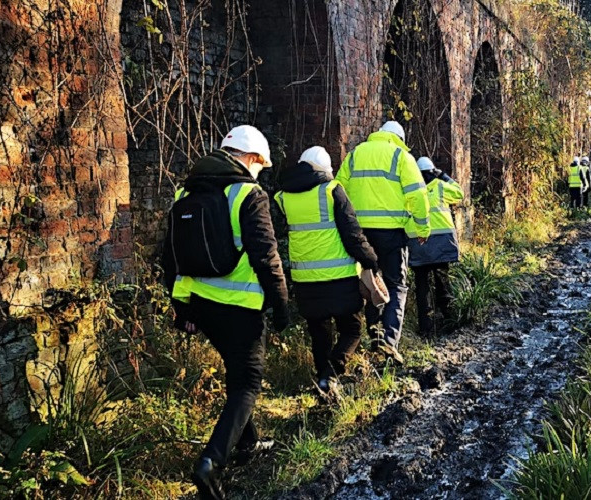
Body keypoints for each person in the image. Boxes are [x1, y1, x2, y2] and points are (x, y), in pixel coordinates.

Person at [163, 125, 290, 499]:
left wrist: (179, 304)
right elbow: (267, 258)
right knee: (247, 384)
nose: (260, 172)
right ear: (251, 159)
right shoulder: (248, 194)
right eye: (260, 166)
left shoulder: (185, 191)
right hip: (241, 308)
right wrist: (281, 305)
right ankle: (211, 462)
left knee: (236, 372)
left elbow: (170, 253)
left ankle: (247, 444)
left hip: (200, 306)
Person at [273, 146, 380, 397]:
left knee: (319, 333)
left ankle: (323, 378)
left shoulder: (282, 197)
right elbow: (353, 234)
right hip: (339, 278)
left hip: (304, 280)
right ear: (326, 170)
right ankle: (331, 373)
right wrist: (370, 260)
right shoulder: (332, 191)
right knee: (351, 329)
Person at [336, 121, 430, 364]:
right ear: (399, 137)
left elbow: (338, 190)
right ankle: (387, 342)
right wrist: (422, 227)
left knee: (370, 282)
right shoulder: (400, 155)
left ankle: (374, 333)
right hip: (391, 233)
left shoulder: (356, 154)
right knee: (395, 285)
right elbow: (418, 195)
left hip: (360, 233)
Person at [407, 157, 464, 336]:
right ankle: (448, 321)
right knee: (442, 283)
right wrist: (444, 175)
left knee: (422, 286)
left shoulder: (408, 190)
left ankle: (425, 328)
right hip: (441, 246)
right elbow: (460, 193)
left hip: (419, 245)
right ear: (433, 171)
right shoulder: (440, 186)